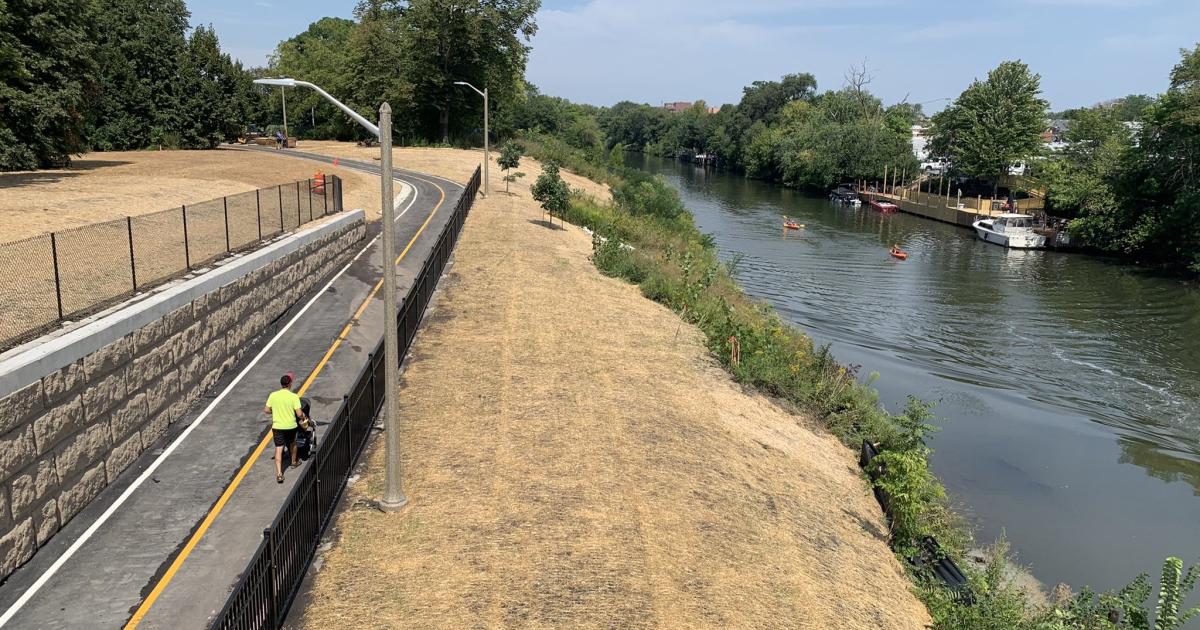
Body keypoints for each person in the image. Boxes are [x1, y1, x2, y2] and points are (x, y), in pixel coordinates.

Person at [264, 373, 309, 483]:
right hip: (290, 426)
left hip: (277, 426)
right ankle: (293, 462)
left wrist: (276, 410)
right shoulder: (293, 397)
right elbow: (299, 414)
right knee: (293, 443)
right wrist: (304, 416)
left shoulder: (273, 395)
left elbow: (266, 410)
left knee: (279, 448)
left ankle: (279, 474)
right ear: (290, 384)